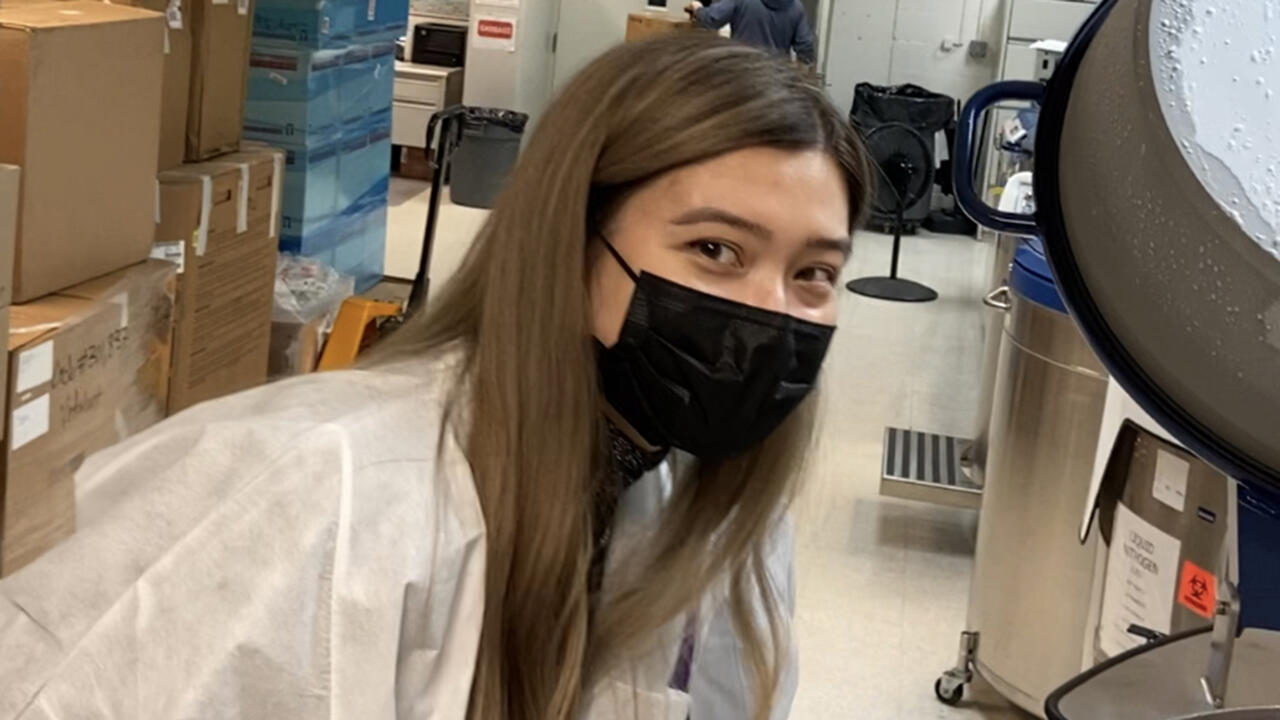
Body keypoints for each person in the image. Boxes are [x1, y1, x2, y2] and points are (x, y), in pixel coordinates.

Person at [0, 35, 869, 720]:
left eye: (813, 274)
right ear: (571, 246)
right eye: (715, 249)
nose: (771, 311)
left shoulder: (726, 522)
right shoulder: (322, 489)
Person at [685, 0, 817, 66]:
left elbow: (711, 19)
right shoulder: (796, 7)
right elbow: (806, 50)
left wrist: (697, 9)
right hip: (777, 81)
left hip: (743, 74)